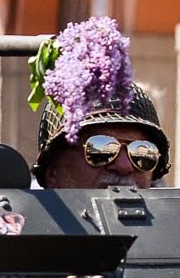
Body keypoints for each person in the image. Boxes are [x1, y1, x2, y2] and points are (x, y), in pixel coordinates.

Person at [31, 16, 169, 192]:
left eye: (143, 154)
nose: (125, 166)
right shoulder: (22, 219)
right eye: (101, 150)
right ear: (53, 173)